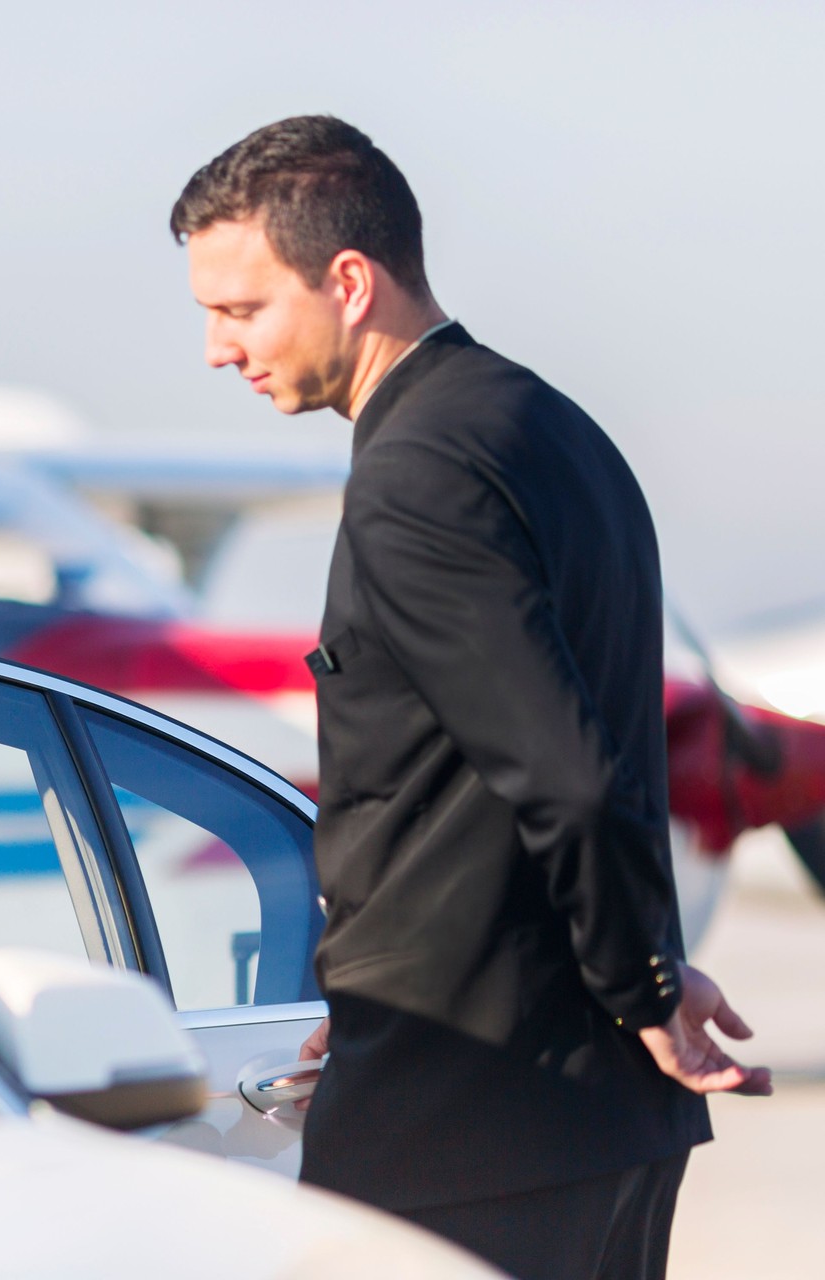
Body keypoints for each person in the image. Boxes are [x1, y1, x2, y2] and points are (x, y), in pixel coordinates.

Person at [171, 116, 770, 1280]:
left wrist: (642, 980)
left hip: (472, 1132)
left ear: (348, 282)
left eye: (240, 310)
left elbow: (568, 777)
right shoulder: (547, 426)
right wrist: (642, 959)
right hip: (585, 1121)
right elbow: (491, 786)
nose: (215, 348)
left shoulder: (415, 476)